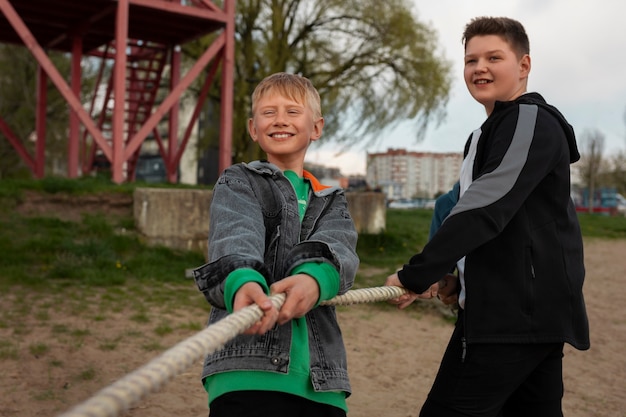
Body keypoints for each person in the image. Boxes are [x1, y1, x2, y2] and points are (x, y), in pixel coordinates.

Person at [385, 16, 590, 417]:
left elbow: (487, 207)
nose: (479, 68)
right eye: (471, 60)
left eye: (494, 57)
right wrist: (455, 278)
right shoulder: (482, 135)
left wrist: (418, 272)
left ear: (524, 66)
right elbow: (486, 218)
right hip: (515, 315)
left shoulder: (530, 121)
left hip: (513, 318)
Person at [193, 72, 359, 417]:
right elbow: (235, 234)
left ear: (316, 127)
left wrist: (313, 280)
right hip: (246, 372)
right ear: (254, 129)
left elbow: (339, 247)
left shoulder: (331, 200)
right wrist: (243, 281)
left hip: (321, 382)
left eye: (292, 111)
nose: (280, 119)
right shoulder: (238, 182)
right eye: (269, 113)